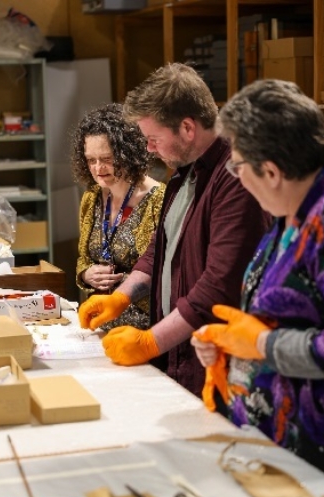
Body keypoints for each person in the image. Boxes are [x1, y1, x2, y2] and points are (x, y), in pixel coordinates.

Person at [190, 79, 324, 488]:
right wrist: (231, 346)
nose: (236, 175)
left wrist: (262, 346)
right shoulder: (290, 211)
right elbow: (283, 315)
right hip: (276, 443)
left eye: (238, 165)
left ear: (272, 171)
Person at [78, 63, 270, 397]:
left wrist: (152, 340)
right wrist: (121, 297)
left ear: (187, 128)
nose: (149, 149)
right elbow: (159, 251)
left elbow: (219, 284)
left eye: (153, 139)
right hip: (178, 355)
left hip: (213, 361)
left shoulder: (234, 179)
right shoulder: (182, 172)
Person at [71, 103, 166, 331]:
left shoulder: (158, 200)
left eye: (107, 158)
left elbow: (162, 271)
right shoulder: (92, 197)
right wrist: (86, 274)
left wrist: (123, 286)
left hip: (142, 329)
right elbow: (83, 258)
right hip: (98, 323)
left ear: (128, 153)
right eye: (90, 160)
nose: (98, 168)